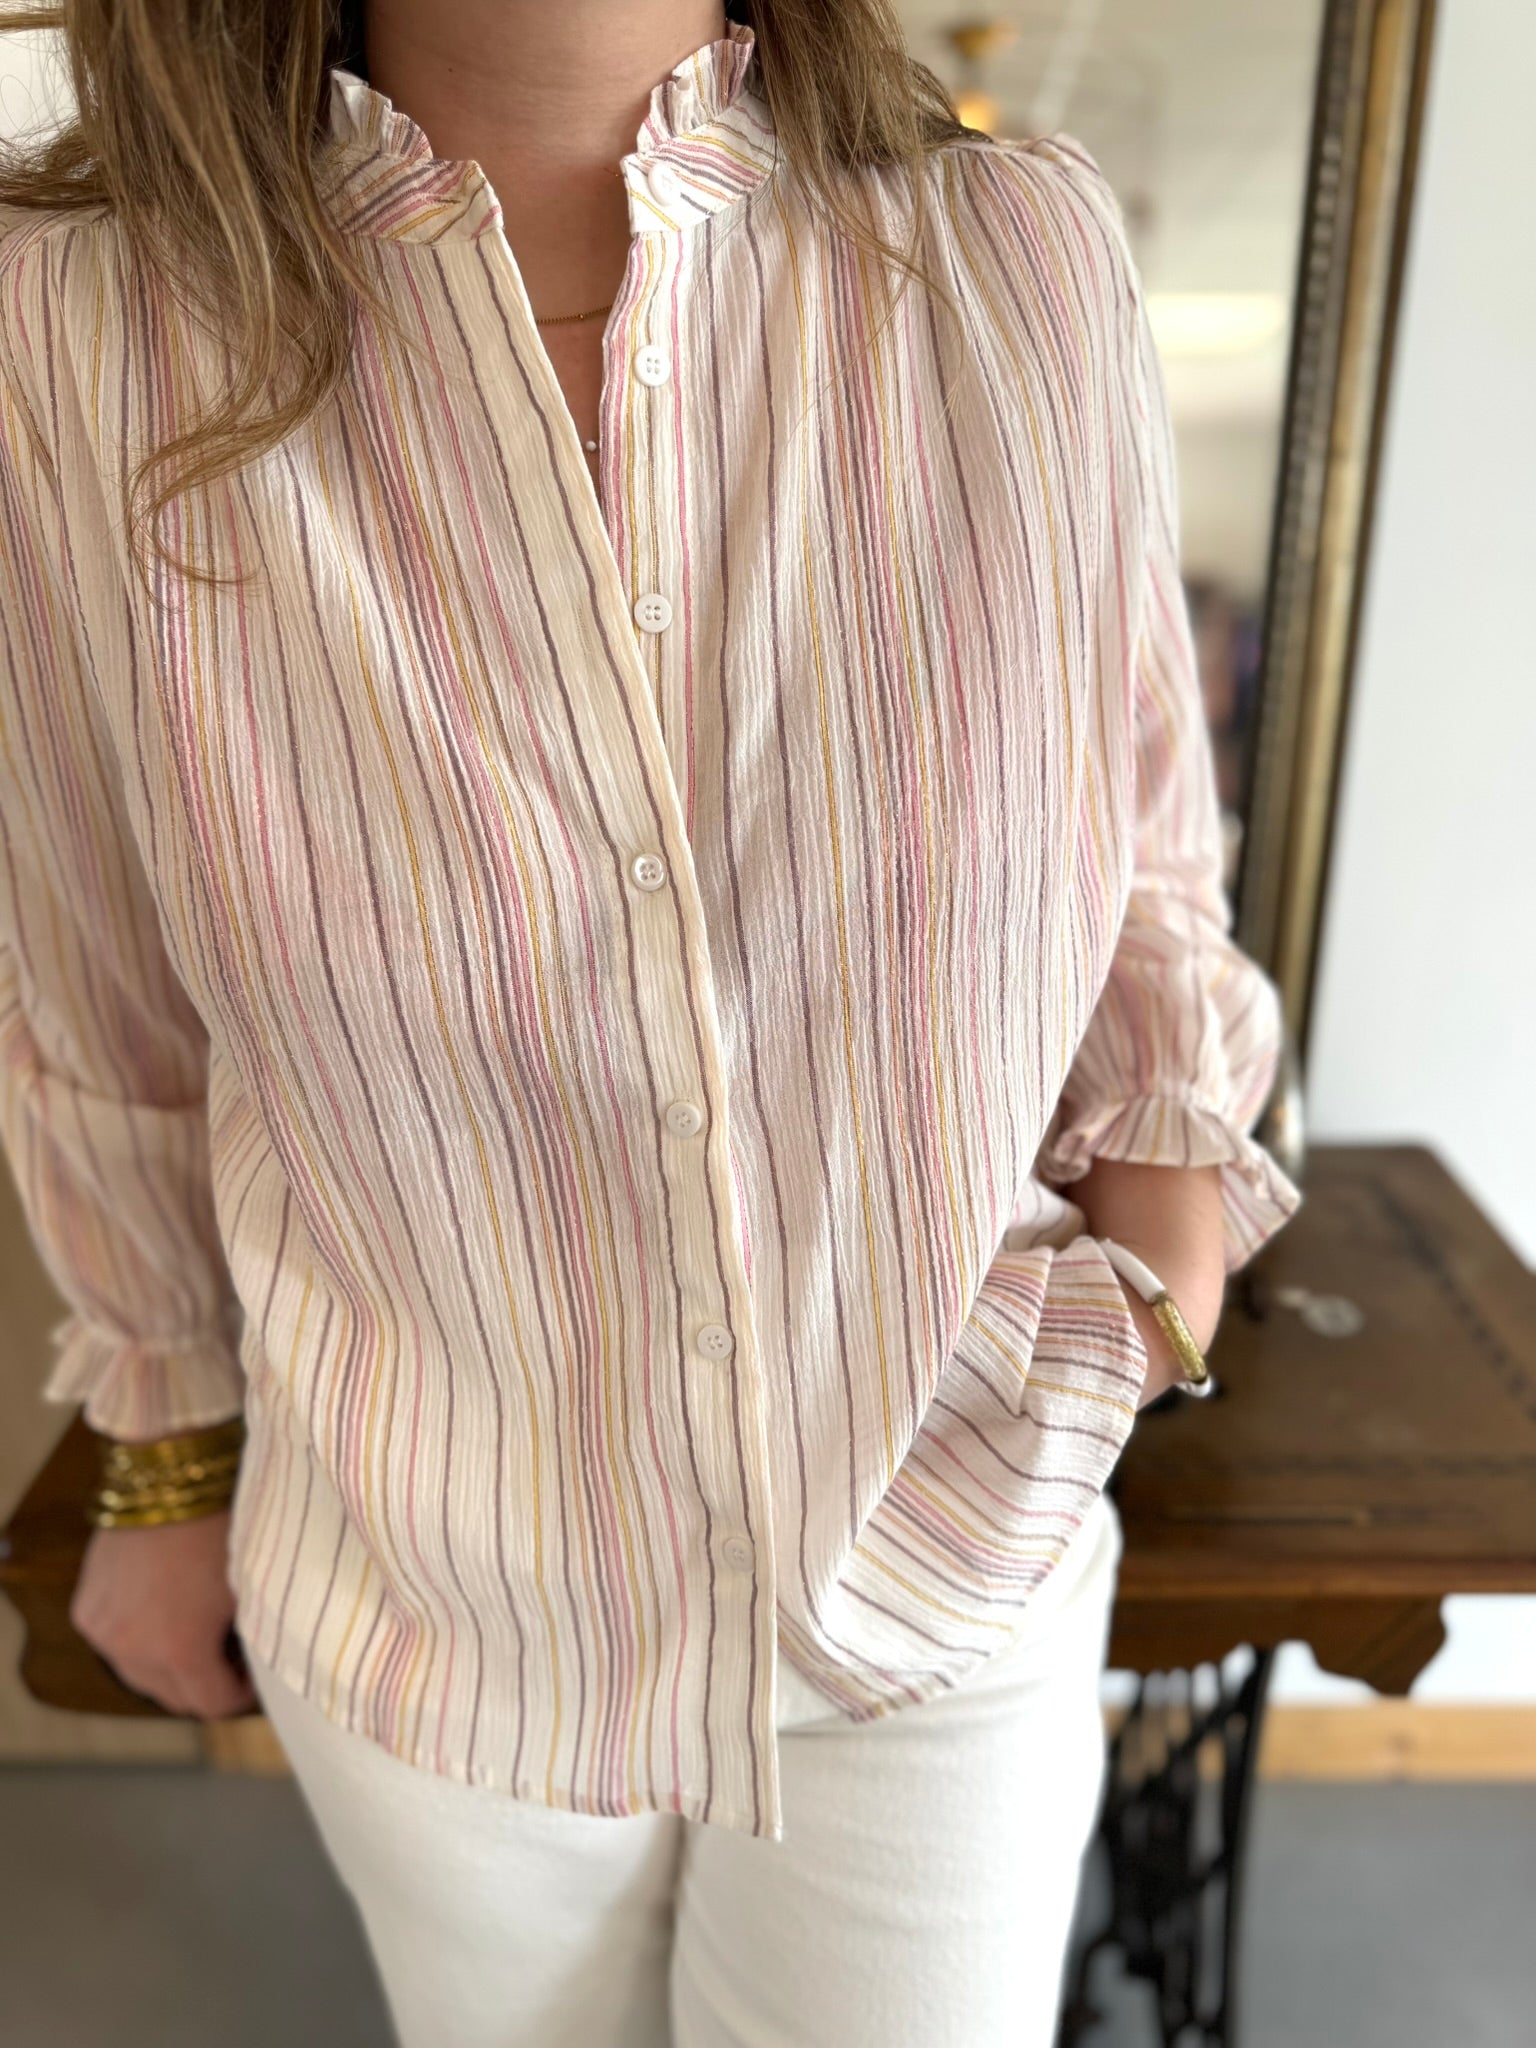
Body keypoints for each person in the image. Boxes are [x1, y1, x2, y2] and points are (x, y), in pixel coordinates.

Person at [0, 0, 1302, 2041]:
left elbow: (1138, 846)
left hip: (943, 1540)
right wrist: (163, 1448)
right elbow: (89, 967)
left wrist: (1159, 1293)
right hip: (434, 1591)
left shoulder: (1014, 256)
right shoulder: (74, 328)